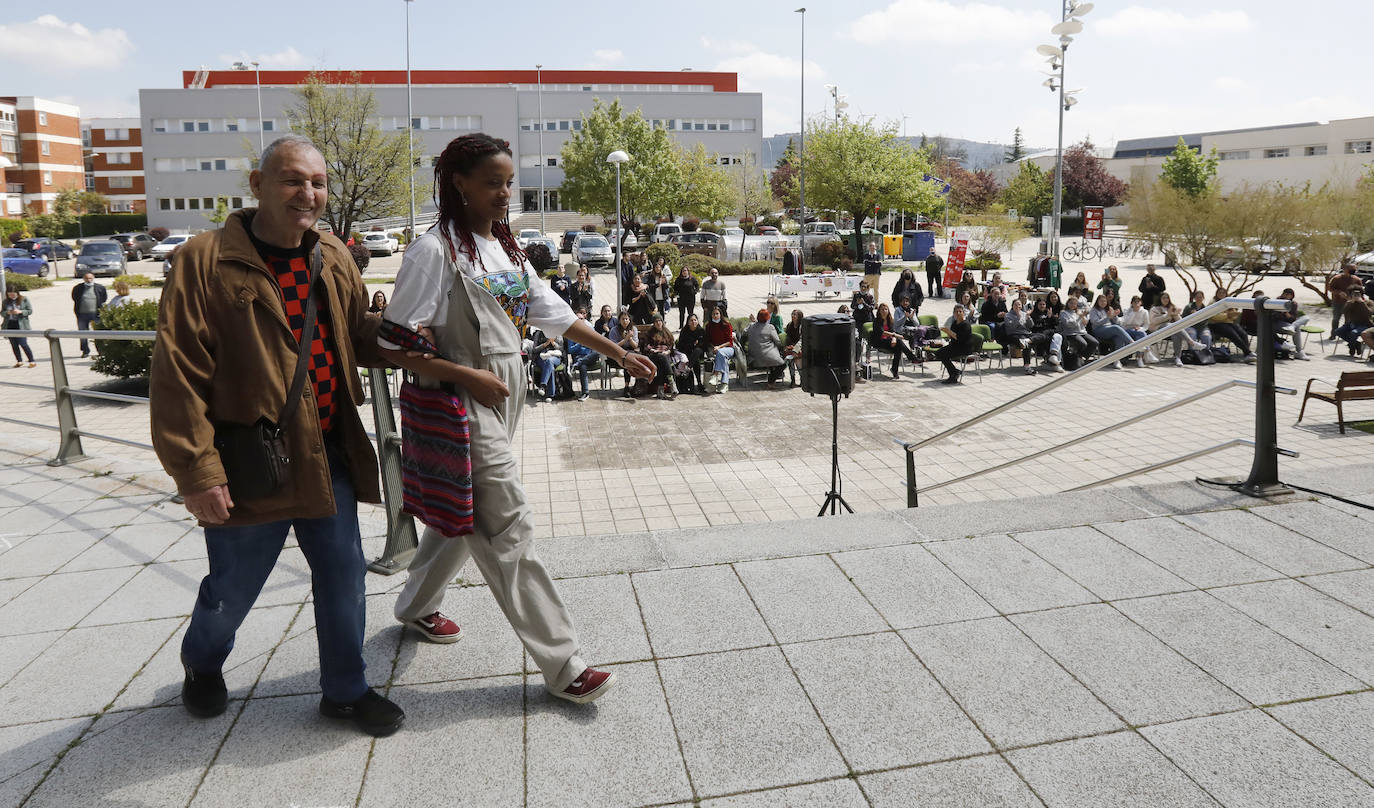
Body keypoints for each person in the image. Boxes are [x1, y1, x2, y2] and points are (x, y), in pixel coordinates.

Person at [379, 133, 655, 707]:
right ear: (458, 183)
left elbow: (551, 314)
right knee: (508, 524)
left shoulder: (505, 249)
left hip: (507, 391)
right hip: (462, 399)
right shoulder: (433, 252)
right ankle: (564, 664)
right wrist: (465, 376)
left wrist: (619, 352)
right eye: (492, 182)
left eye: (509, 182)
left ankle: (414, 606)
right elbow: (392, 343)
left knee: (467, 511)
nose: (504, 193)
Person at [149, 134, 404, 736]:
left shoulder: (333, 255)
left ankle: (345, 690)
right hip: (249, 463)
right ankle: (202, 664)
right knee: (230, 590)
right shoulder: (204, 260)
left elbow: (354, 335)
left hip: (327, 455)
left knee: (344, 579)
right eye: (292, 180)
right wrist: (197, 472)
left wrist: (415, 341)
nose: (307, 193)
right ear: (258, 184)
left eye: (316, 182)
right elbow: (177, 373)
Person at [1190, 289, 1253, 361]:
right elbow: (1214, 316)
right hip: (1215, 324)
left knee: (1243, 333)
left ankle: (1246, 353)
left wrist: (1229, 315)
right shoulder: (1213, 303)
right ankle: (1248, 352)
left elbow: (1234, 315)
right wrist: (1227, 316)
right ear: (1216, 294)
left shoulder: (1228, 302)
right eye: (1220, 293)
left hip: (1228, 323)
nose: (1222, 294)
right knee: (1232, 334)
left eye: (1223, 293)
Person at [1148, 291, 1208, 365]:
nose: (1166, 299)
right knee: (1171, 326)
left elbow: (1180, 322)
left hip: (1171, 330)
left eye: (1167, 298)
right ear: (1160, 299)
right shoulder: (1154, 309)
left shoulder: (1171, 307)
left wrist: (1176, 314)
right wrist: (1168, 315)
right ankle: (1192, 343)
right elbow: (1154, 321)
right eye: (1163, 298)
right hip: (1157, 330)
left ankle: (1177, 358)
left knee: (1176, 334)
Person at [872, 302, 920, 379]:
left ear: (888, 311)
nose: (884, 311)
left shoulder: (890, 320)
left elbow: (893, 331)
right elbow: (883, 332)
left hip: (889, 341)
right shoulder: (876, 321)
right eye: (882, 309)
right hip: (879, 342)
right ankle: (912, 358)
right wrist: (895, 336)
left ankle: (895, 369)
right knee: (899, 342)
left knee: (898, 348)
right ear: (879, 311)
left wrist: (894, 339)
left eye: (886, 309)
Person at [935, 305, 979, 384]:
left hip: (965, 348)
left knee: (943, 354)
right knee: (938, 353)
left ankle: (953, 374)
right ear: (954, 314)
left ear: (963, 313)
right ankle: (955, 371)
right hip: (956, 346)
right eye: (956, 312)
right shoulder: (954, 323)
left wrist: (948, 332)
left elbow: (958, 338)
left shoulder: (966, 324)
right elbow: (952, 337)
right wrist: (948, 334)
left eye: (960, 311)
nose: (958, 313)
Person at [1087, 294, 1134, 369]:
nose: (1103, 303)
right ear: (1097, 302)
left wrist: (1115, 316)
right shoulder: (1094, 310)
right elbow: (1096, 322)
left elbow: (1116, 322)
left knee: (1119, 337)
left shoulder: (1108, 309)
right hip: (1099, 330)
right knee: (1116, 328)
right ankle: (1132, 343)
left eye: (1104, 301)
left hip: (1110, 329)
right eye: (1101, 301)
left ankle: (1116, 360)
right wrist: (1107, 317)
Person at [744, 308, 785, 389]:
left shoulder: (751, 326)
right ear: (767, 318)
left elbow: (743, 335)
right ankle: (771, 381)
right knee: (782, 364)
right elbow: (778, 342)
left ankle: (771, 377)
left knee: (773, 358)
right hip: (765, 356)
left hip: (752, 357)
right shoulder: (770, 327)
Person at [1058, 295, 1100, 368]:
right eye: (1071, 303)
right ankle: (1077, 359)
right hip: (1071, 333)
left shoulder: (1078, 312)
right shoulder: (1063, 313)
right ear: (1067, 303)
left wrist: (1083, 316)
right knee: (1083, 344)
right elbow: (1069, 324)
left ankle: (1083, 358)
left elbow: (1085, 323)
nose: (1073, 305)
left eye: (1074, 304)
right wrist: (1079, 317)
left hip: (1082, 332)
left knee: (1095, 342)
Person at [71, 272, 107, 357]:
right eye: (87, 278)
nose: (89, 280)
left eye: (90, 278)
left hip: (96, 314)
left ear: (93, 278)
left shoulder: (100, 288)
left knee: (98, 334)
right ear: (83, 279)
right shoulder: (78, 288)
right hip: (82, 314)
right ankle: (85, 351)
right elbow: (74, 298)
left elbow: (104, 299)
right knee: (83, 333)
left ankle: (100, 351)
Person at [565, 307, 597, 401]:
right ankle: (585, 393)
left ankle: (576, 365)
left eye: (582, 319)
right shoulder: (570, 333)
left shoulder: (589, 329)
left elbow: (594, 345)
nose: (580, 321)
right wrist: (580, 343)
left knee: (597, 352)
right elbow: (570, 350)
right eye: (577, 319)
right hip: (579, 356)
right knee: (583, 366)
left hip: (590, 356)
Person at [1001, 298, 1038, 374]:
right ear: (1012, 306)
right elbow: (1012, 327)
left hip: (1026, 334)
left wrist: (1028, 317)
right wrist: (1018, 317)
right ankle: (1027, 366)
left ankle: (1048, 358)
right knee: (1026, 344)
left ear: (1022, 306)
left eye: (1019, 304)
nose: (1017, 306)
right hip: (1014, 334)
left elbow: (1031, 326)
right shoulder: (1008, 315)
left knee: (1042, 336)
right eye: (1015, 305)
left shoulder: (1024, 314)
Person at [1120, 295, 1159, 367]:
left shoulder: (1144, 312)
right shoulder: (1127, 311)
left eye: (1138, 302)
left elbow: (1146, 324)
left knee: (1141, 335)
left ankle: (1140, 358)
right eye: (1135, 302)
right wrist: (1134, 312)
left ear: (1141, 302)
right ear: (1132, 303)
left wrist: (1140, 328)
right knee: (1142, 334)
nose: (1136, 304)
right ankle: (1147, 351)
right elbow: (1126, 322)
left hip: (1138, 330)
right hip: (1127, 329)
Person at [705, 305, 735, 393]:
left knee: (721, 353)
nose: (715, 316)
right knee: (723, 358)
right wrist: (713, 347)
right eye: (713, 314)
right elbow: (708, 340)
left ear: (720, 315)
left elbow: (730, 341)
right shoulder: (709, 326)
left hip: (728, 349)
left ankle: (715, 374)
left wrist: (719, 347)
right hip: (716, 349)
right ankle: (724, 384)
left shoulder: (726, 325)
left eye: (717, 314)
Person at [676, 313, 709, 394]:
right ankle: (698, 383)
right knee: (695, 361)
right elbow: (681, 344)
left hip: (699, 352)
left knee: (697, 351)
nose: (693, 322)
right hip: (687, 352)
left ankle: (688, 369)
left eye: (695, 320)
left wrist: (696, 344)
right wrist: (693, 344)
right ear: (688, 322)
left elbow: (704, 344)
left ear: (697, 321)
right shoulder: (684, 331)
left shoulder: (701, 331)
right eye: (691, 320)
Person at [528, 327, 563, 403]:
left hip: (555, 356)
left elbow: (561, 348)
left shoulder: (558, 333)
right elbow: (534, 349)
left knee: (550, 361)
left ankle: (543, 386)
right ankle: (550, 395)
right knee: (550, 367)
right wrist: (545, 344)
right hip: (542, 356)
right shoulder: (538, 334)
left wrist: (553, 343)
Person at [1336, 288, 1374, 356]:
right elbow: (1344, 312)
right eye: (1354, 295)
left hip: (1364, 325)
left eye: (1358, 295)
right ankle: (1356, 344)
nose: (1356, 296)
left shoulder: (1369, 302)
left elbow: (1369, 313)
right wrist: (1350, 303)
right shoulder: (1350, 303)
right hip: (1352, 324)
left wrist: (1362, 303)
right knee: (1338, 331)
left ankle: (1352, 348)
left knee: (1353, 333)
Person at [3, 289, 36, 367]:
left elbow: (30, 311)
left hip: (21, 325)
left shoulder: (24, 299)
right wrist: (7, 313)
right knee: (14, 344)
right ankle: (19, 361)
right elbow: (2, 312)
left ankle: (32, 361)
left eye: (13, 294)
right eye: (9, 295)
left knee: (23, 343)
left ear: (17, 293)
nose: (11, 296)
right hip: (10, 324)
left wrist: (21, 312)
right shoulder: (5, 301)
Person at [609, 309, 640, 393]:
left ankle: (638, 385)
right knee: (627, 359)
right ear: (619, 320)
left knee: (636, 359)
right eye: (623, 319)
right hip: (617, 355)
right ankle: (627, 387)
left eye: (626, 319)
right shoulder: (614, 330)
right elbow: (613, 346)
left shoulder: (633, 329)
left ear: (629, 320)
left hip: (630, 353)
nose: (625, 321)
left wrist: (630, 339)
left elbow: (635, 346)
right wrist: (625, 339)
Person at [1329, 263, 1362, 338]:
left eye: (1354, 269)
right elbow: (1331, 288)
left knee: (1348, 320)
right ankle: (1333, 334)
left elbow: (1360, 291)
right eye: (1351, 269)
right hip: (1338, 302)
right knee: (1336, 319)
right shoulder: (1337, 278)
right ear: (1345, 269)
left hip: (1351, 303)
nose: (1353, 270)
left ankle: (1345, 335)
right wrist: (1339, 292)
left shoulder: (1357, 279)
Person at [1276, 288, 1311, 360]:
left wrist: (1287, 314)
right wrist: (1282, 312)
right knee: (1297, 328)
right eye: (1286, 294)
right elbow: (1274, 317)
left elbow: (1293, 318)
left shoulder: (1293, 304)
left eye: (1289, 295)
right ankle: (1299, 351)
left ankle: (1292, 326)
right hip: (1279, 323)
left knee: (1306, 318)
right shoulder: (1277, 301)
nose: (1287, 296)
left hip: (1290, 323)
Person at [783, 309, 804, 387]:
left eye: (795, 314)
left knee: (798, 363)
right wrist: (789, 346)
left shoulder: (802, 326)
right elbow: (788, 338)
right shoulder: (789, 325)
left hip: (800, 348)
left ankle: (802, 380)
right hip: (792, 348)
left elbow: (802, 339)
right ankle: (793, 380)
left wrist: (796, 348)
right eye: (792, 314)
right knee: (790, 361)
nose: (793, 316)